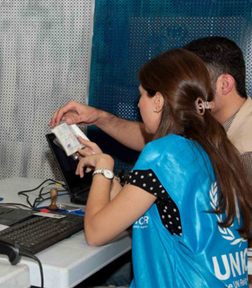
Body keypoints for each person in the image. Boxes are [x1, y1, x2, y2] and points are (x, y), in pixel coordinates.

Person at [73, 48, 251, 287]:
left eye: (141, 95)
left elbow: (95, 233)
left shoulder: (164, 152)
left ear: (158, 101)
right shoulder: (213, 146)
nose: (138, 104)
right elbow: (137, 209)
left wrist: (102, 168)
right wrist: (107, 171)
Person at [50, 37, 251, 180]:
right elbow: (160, 138)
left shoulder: (246, 151)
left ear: (225, 85)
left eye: (196, 81)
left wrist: (104, 173)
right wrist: (99, 118)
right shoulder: (207, 120)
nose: (185, 88)